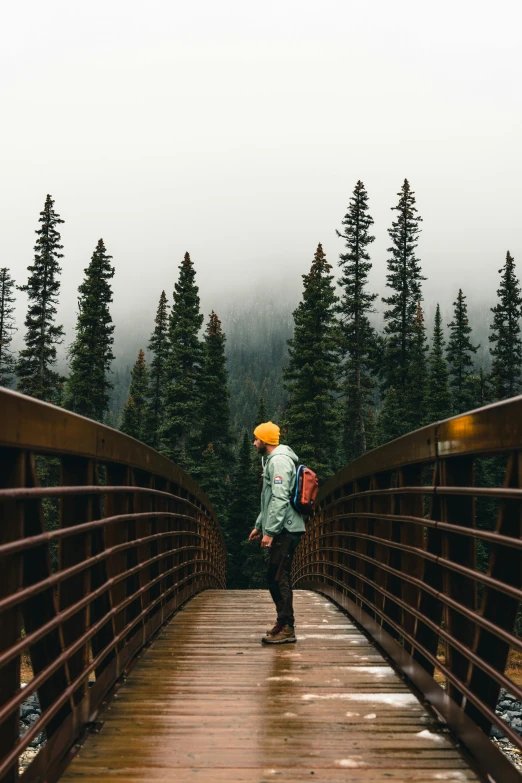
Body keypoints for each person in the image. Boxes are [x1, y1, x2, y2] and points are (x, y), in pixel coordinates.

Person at [248, 421, 305, 644]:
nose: (254, 443)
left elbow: (280, 499)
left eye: (257, 439)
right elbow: (269, 499)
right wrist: (260, 526)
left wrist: (270, 531)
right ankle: (283, 623)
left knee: (278, 578)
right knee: (275, 577)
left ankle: (287, 627)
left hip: (286, 529)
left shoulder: (279, 461)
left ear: (266, 441)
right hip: (283, 528)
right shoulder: (274, 460)